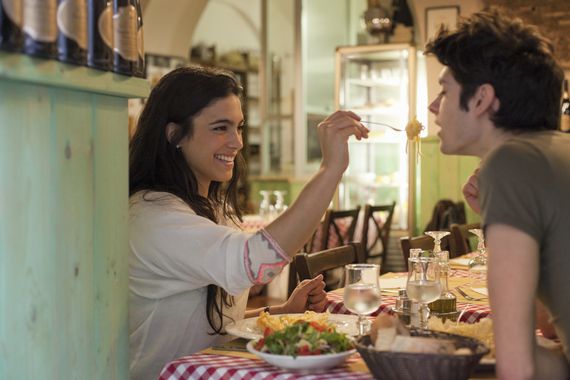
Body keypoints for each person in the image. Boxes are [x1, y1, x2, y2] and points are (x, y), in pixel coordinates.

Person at [128, 65, 369, 379]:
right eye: (220, 128)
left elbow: (216, 322)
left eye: (239, 127)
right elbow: (255, 263)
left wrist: (281, 313)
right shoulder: (153, 216)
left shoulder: (211, 208)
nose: (237, 142)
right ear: (174, 134)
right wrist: (331, 168)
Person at [426, 9, 570, 380]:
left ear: (481, 99)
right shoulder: (556, 153)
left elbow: (517, 368)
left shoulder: (508, 163)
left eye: (445, 90)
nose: (433, 106)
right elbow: (554, 328)